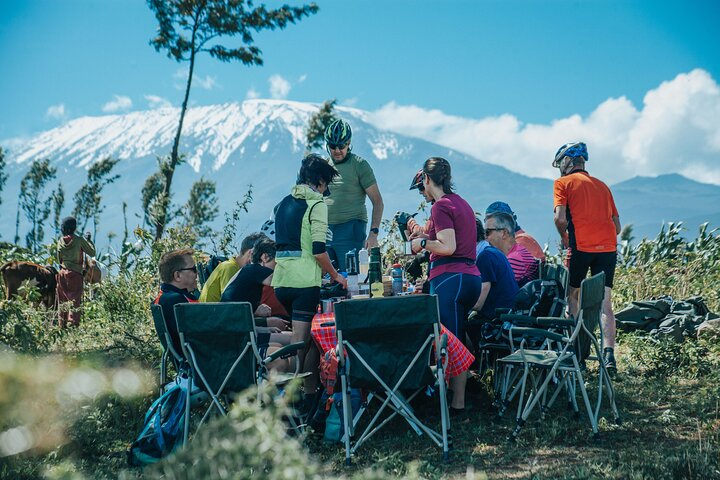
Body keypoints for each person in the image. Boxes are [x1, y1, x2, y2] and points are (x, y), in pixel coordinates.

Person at [272, 153, 348, 412]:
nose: (326, 190)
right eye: (325, 184)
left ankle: (308, 396)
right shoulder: (317, 205)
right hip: (304, 283)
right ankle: (290, 406)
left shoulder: (281, 204)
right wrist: (336, 276)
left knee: (306, 344)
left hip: (281, 282)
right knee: (300, 347)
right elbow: (318, 250)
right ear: (318, 181)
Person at [409, 157, 481, 413]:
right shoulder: (461, 203)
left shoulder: (440, 207)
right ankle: (456, 398)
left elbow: (448, 246)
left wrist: (423, 245)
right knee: (457, 337)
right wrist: (427, 236)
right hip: (470, 278)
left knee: (450, 342)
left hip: (451, 279)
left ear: (427, 180)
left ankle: (453, 404)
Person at [552, 142, 621, 372]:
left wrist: (564, 237)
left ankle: (576, 353)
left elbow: (560, 218)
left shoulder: (562, 183)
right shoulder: (603, 186)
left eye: (561, 162)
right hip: (608, 248)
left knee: (573, 296)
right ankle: (609, 356)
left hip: (580, 247)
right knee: (605, 303)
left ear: (568, 161)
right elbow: (617, 226)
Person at [324, 118, 384, 271]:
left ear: (349, 143)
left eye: (342, 145)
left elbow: (378, 202)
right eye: (333, 146)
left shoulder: (359, 165)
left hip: (351, 229)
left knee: (351, 279)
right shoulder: (323, 166)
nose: (337, 150)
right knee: (328, 282)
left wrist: (373, 234)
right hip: (327, 230)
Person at [221, 238, 291, 351]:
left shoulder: (248, 272)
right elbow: (284, 281)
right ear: (265, 257)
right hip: (238, 338)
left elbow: (240, 320)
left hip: (236, 332)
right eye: (277, 263)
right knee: (297, 340)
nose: (278, 267)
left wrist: (263, 329)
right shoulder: (255, 269)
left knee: (288, 339)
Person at [467, 217, 519, 348]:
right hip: (508, 316)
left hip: (499, 322)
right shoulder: (492, 252)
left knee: (456, 323)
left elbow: (478, 304)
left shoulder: (485, 257)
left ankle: (471, 364)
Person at [153, 249, 199, 356]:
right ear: (177, 276)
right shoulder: (176, 302)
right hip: (200, 365)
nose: (197, 273)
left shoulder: (163, 298)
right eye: (193, 269)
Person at [198, 232, 266, 302]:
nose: (262, 264)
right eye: (260, 258)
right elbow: (231, 305)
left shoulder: (237, 269)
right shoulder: (230, 268)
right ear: (251, 253)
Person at [56, 216, 96, 328]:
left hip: (62, 274)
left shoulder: (60, 241)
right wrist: (89, 240)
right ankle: (73, 326)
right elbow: (92, 253)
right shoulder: (79, 240)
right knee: (75, 301)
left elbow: (59, 259)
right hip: (76, 274)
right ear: (74, 228)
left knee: (62, 301)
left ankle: (61, 326)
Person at [484, 212, 538, 288]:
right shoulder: (517, 251)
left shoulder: (515, 258)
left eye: (488, 232)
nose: (485, 238)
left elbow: (497, 290)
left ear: (504, 233)